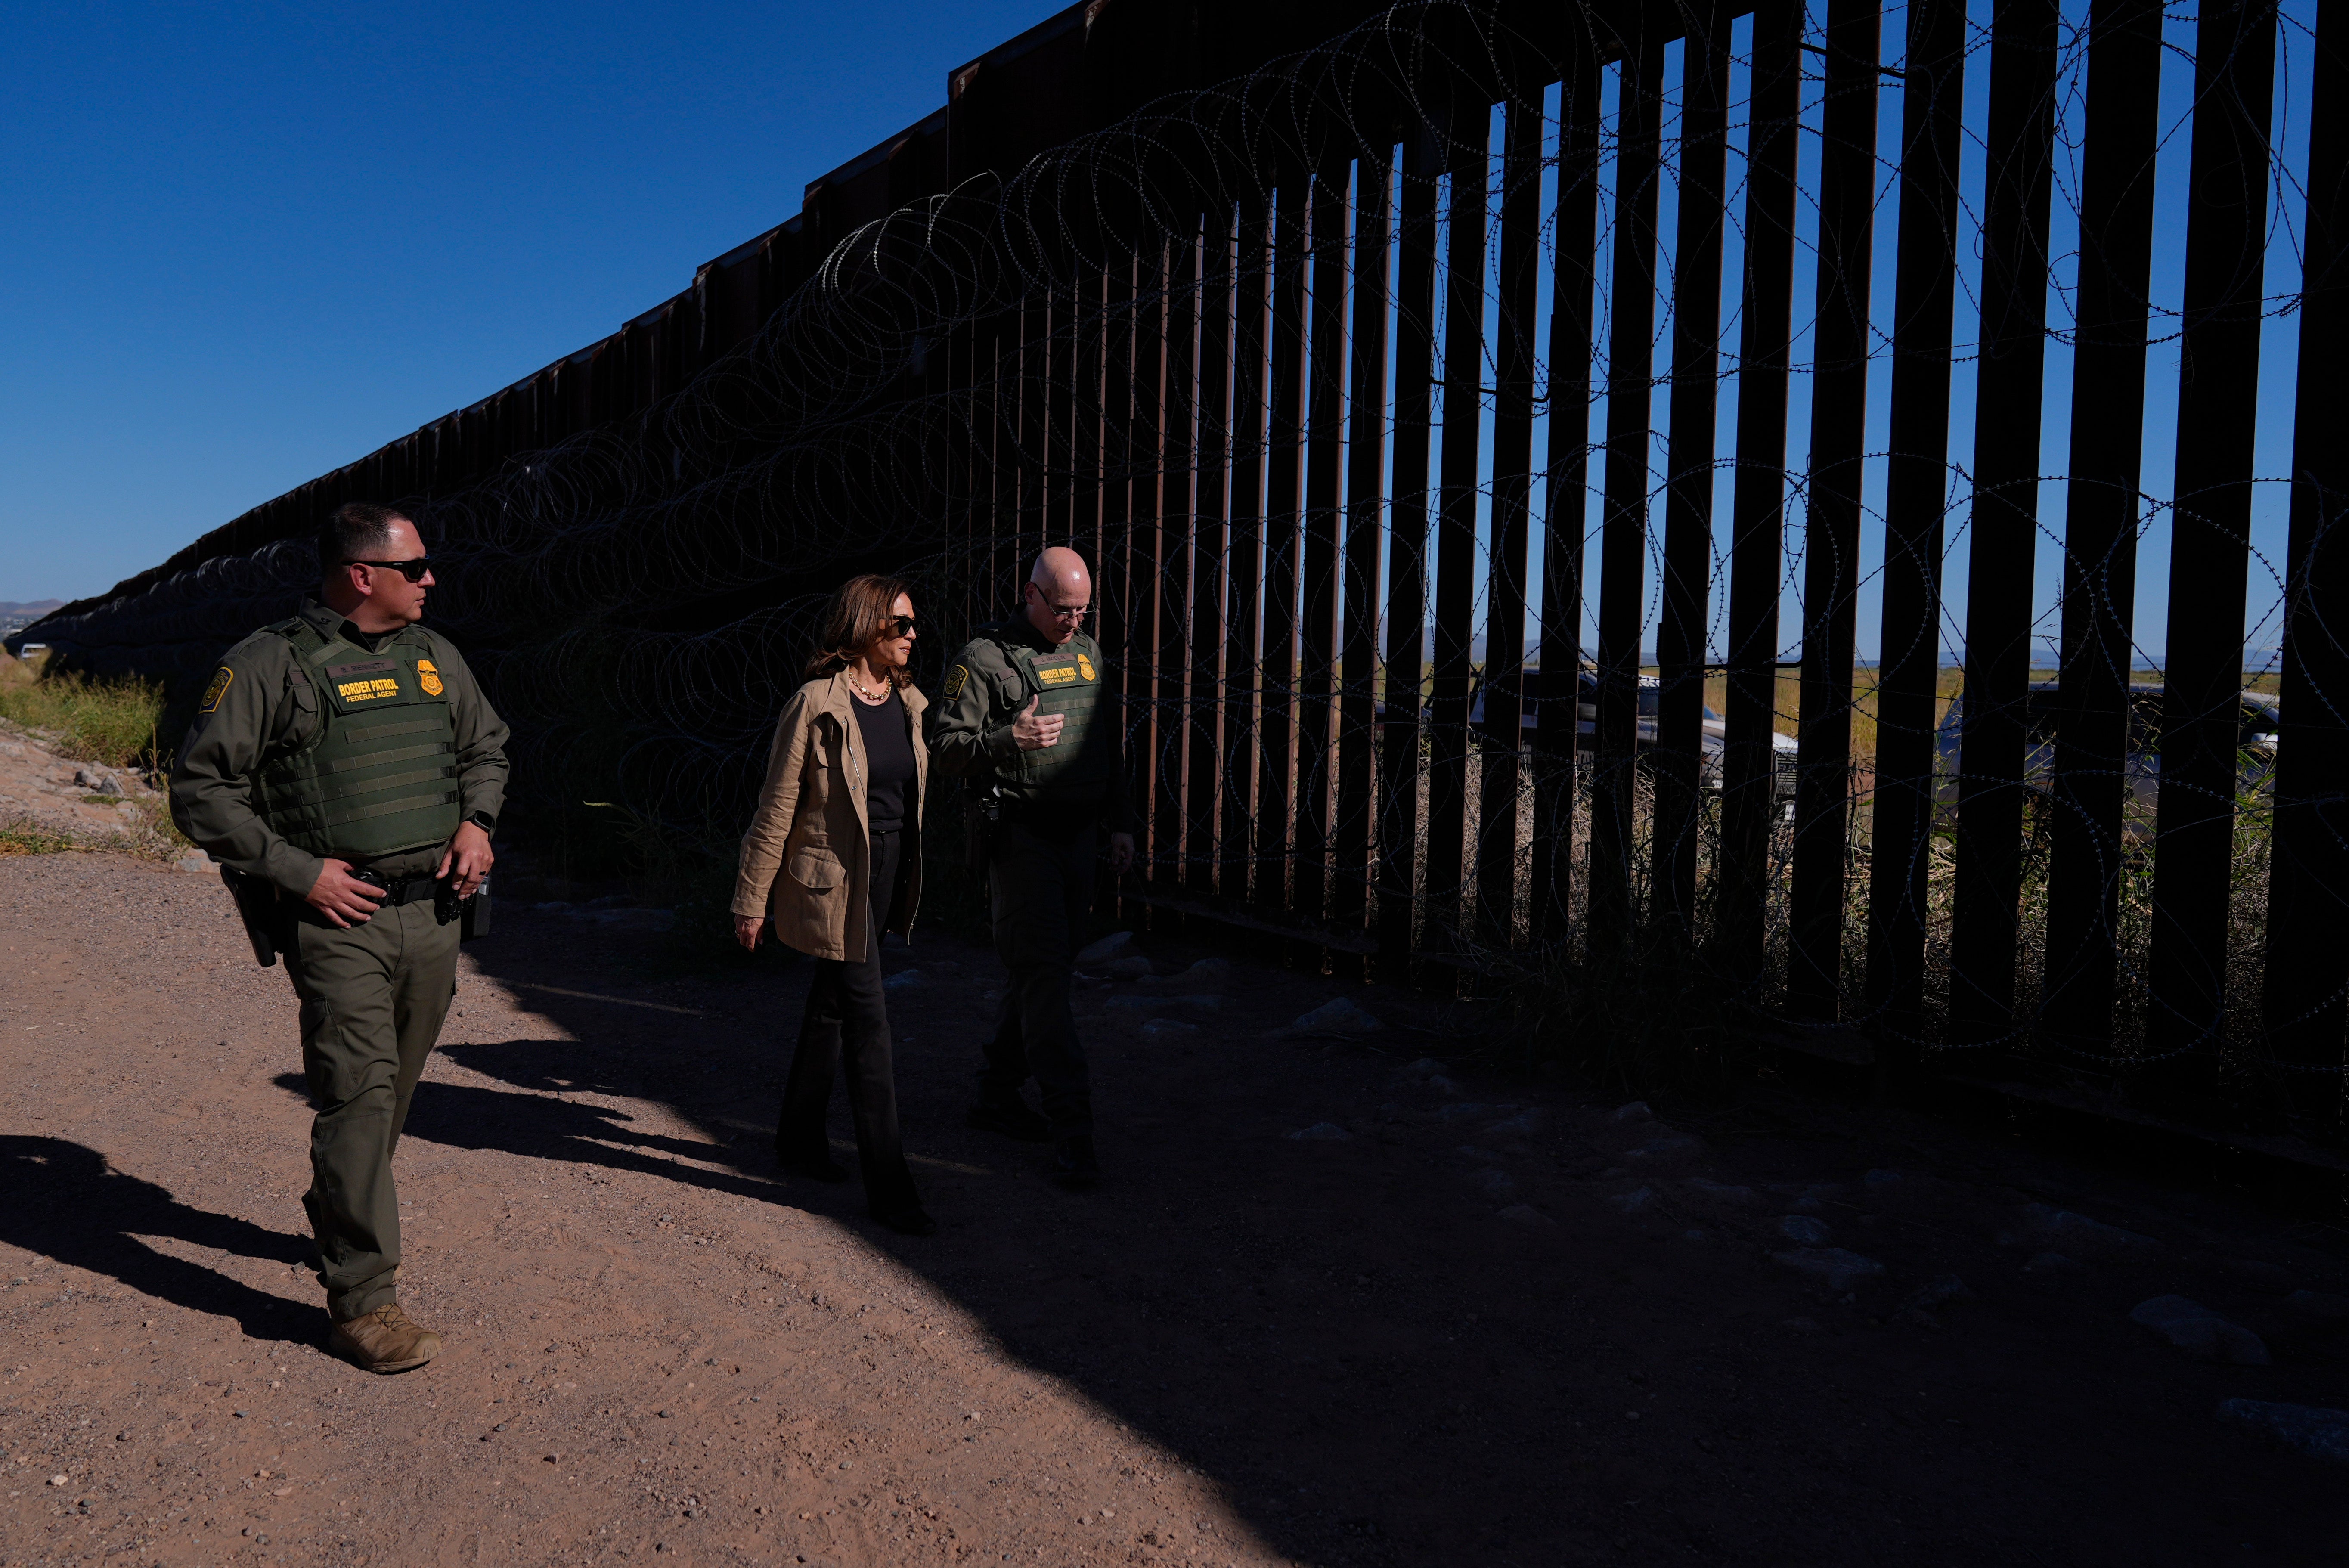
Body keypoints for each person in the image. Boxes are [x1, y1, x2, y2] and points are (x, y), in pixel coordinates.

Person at [170, 503, 507, 1374]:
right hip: (337, 921)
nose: (433, 579)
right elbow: (203, 790)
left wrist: (477, 823)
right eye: (418, 566)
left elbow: (487, 747)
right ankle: (363, 1300)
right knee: (357, 1095)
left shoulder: (437, 659)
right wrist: (298, 872)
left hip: (433, 917)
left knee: (391, 1097)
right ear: (364, 575)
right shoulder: (269, 664)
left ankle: (341, 1212)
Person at [731, 575, 936, 1237]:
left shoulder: (908, 701)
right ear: (866, 625)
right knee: (869, 1022)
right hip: (834, 879)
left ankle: (797, 1138)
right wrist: (751, 897)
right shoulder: (816, 704)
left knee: (832, 1002)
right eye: (900, 624)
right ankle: (891, 1187)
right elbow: (776, 806)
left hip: (889, 868)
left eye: (913, 625)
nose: (912, 635)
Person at [928, 546, 1136, 1191]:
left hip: (1078, 840)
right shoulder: (984, 660)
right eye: (1063, 609)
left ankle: (994, 1094)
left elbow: (1105, 740)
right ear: (1031, 594)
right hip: (1021, 840)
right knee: (1046, 975)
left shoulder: (1088, 653)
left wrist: (1121, 821)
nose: (1073, 622)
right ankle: (1075, 1131)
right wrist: (1004, 741)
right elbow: (944, 747)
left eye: (1082, 610)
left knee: (1045, 971)